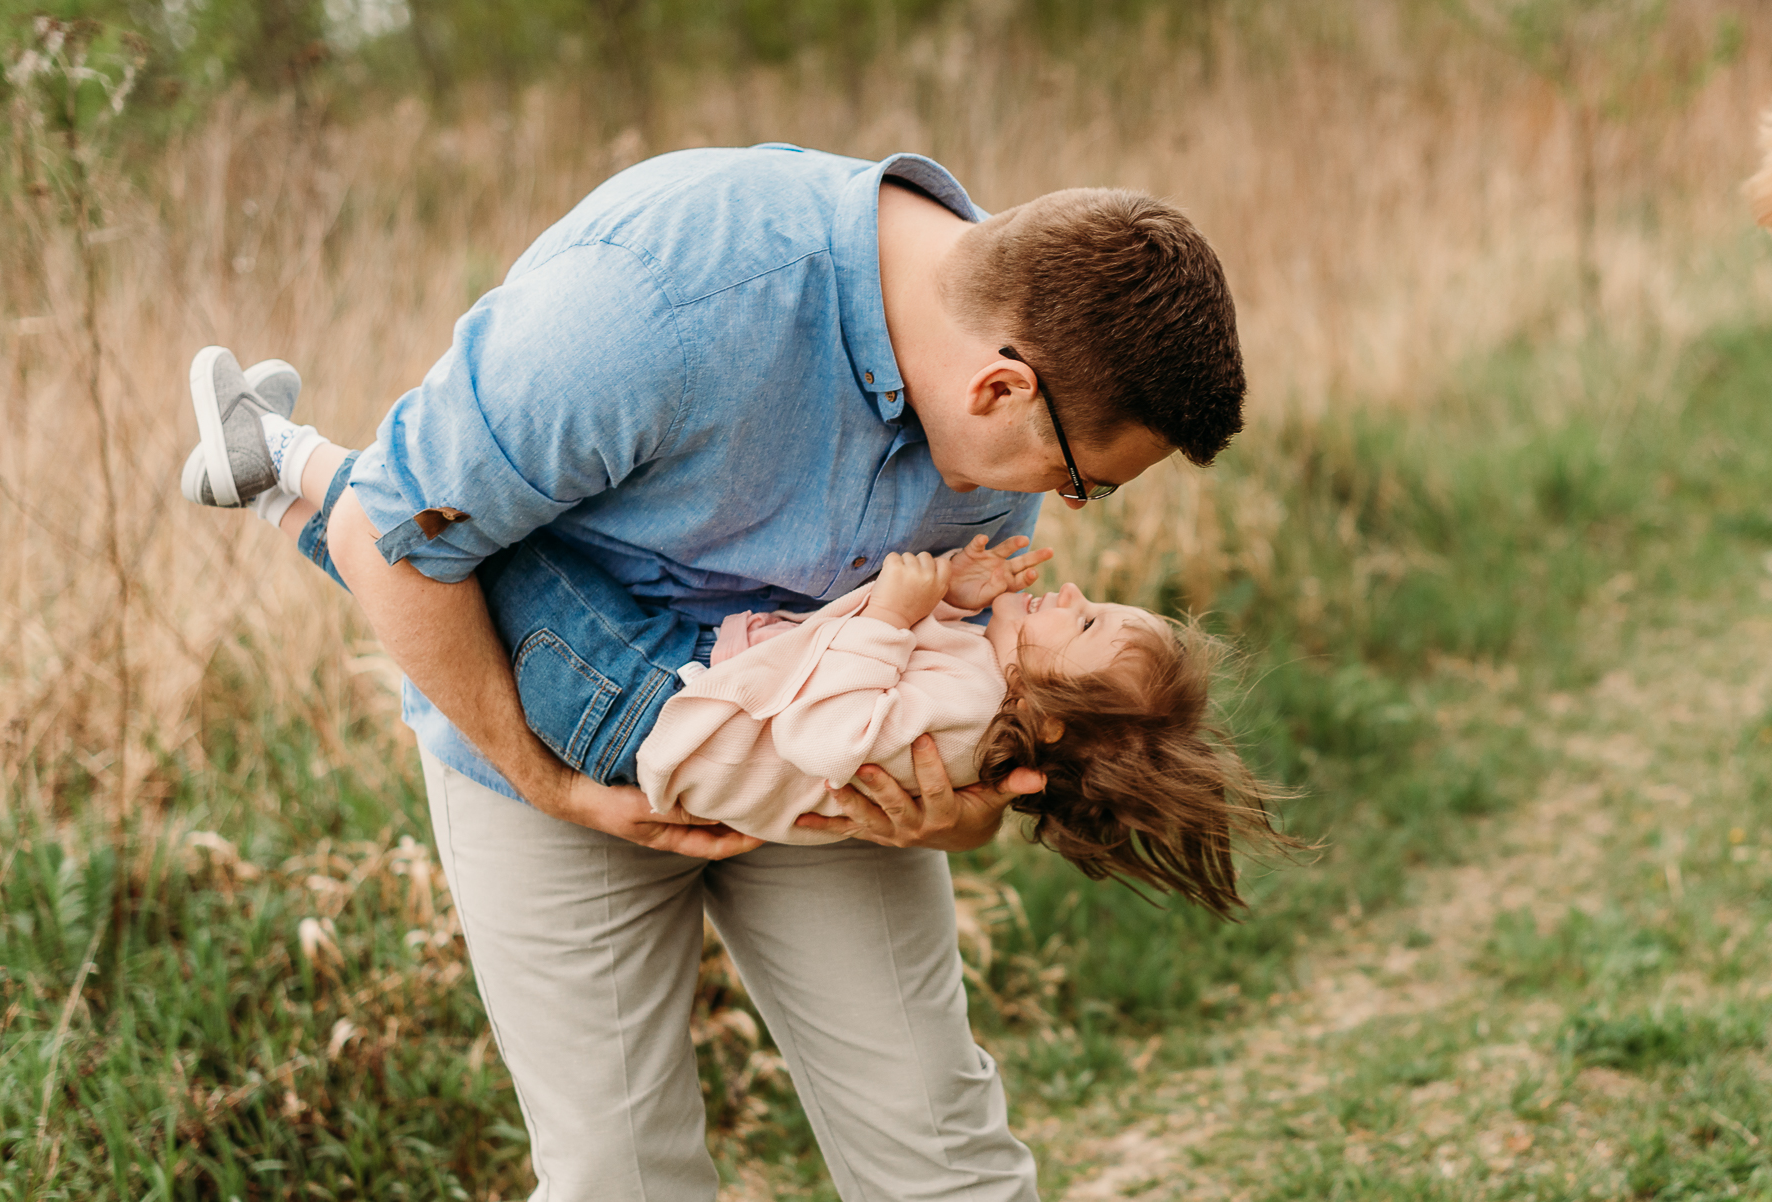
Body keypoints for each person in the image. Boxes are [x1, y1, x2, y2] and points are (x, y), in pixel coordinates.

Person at [180, 144, 1247, 1200]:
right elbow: (393, 534)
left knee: (939, 1150)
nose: (1066, 506)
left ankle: (271, 463)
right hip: (563, 728)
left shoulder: (1018, 383)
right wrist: (554, 785)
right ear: (1000, 386)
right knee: (623, 1177)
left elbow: (960, 709)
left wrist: (953, 814)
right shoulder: (653, 302)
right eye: (1080, 479)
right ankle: (275, 462)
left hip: (824, 759)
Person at [188, 389, 1286, 908]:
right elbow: (863, 661)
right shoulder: (973, 694)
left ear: (1048, 716)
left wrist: (906, 613)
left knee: (482, 550)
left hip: (639, 704)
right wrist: (948, 591)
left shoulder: (956, 718)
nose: (1078, 592)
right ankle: (266, 491)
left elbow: (825, 721)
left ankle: (287, 447)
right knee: (458, 572)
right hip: (662, 696)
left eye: (1087, 626)